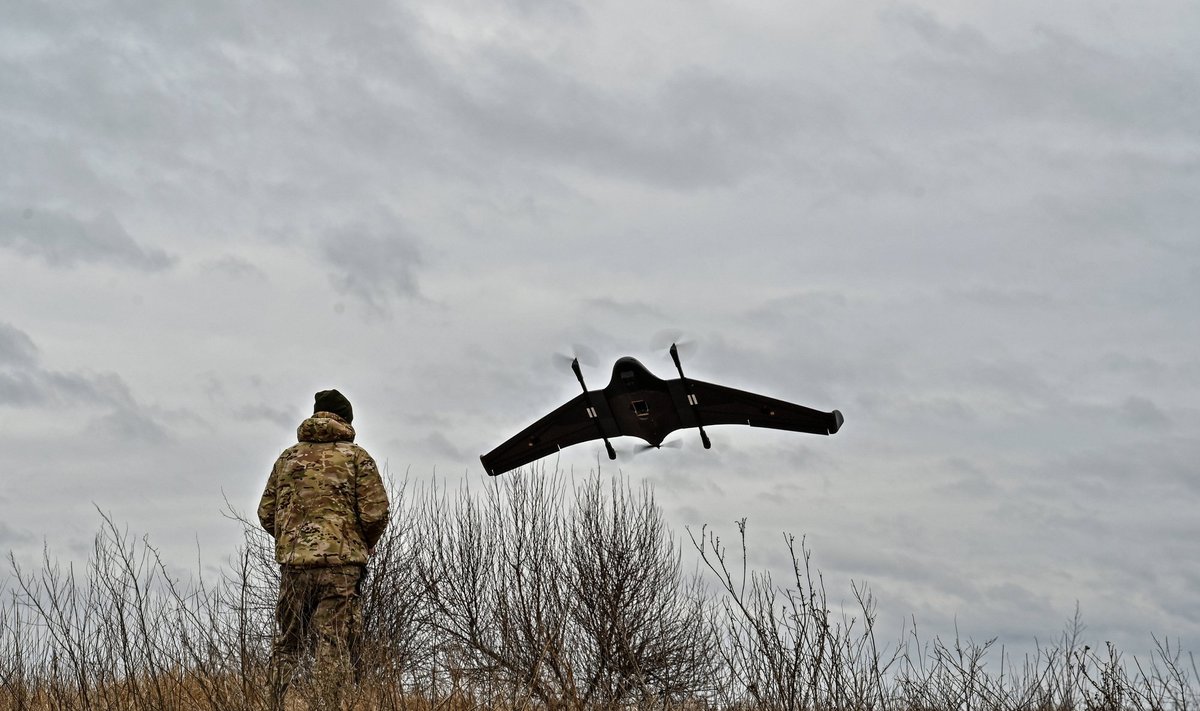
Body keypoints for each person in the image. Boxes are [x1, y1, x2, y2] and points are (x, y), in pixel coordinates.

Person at [258, 389, 390, 709]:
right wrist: (361, 545)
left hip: (295, 567)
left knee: (288, 645)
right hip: (342, 567)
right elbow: (375, 513)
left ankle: (267, 705)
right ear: (347, 419)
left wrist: (292, 540)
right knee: (333, 644)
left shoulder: (288, 459)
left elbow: (266, 512)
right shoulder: (357, 458)